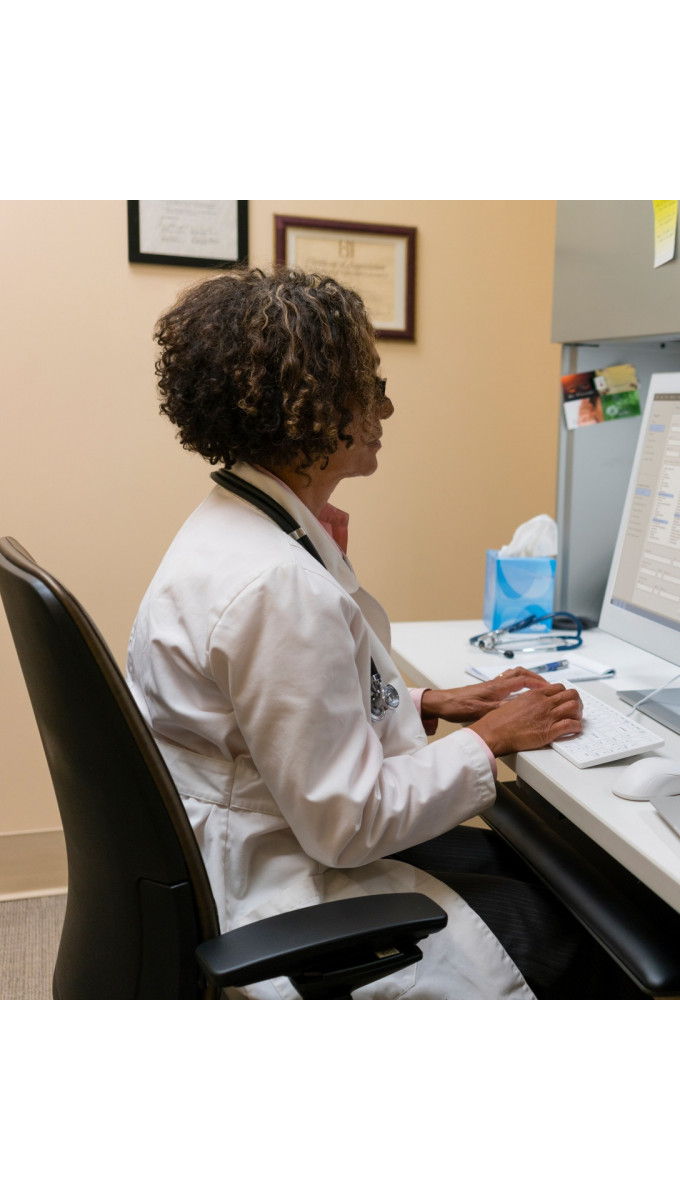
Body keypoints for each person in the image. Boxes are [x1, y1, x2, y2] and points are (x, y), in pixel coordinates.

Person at [127, 267, 628, 999]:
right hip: (282, 886)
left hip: (260, 831)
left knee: (539, 870)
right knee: (583, 931)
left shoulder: (232, 526)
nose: (385, 408)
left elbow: (277, 717)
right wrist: (490, 739)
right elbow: (348, 823)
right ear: (310, 411)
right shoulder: (274, 584)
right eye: (370, 388)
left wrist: (423, 703)